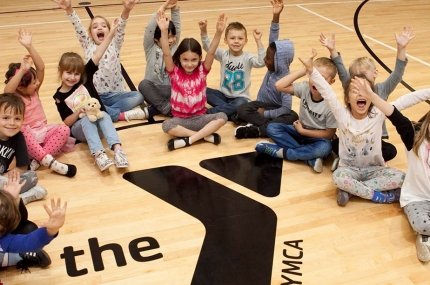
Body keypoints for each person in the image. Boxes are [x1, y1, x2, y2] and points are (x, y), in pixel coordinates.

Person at [300, 49, 415, 206]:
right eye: (355, 91)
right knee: (338, 178)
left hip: (375, 170)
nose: (361, 95)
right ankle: (378, 196)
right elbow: (327, 92)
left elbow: (404, 100)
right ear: (347, 98)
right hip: (349, 170)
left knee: (402, 177)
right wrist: (312, 71)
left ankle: (351, 191)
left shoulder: (378, 112)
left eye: (365, 91)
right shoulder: (341, 113)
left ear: (371, 96)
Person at [320, 26, 415, 169]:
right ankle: (350, 159)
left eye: (363, 75)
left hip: (374, 139)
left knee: (391, 150)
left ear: (375, 74)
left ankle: (369, 161)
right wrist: (332, 50)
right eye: (355, 76)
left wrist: (401, 48)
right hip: (353, 138)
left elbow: (397, 75)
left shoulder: (382, 88)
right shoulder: (351, 86)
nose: (359, 79)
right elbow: (341, 70)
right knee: (333, 143)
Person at [53, 18, 130, 171]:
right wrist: (79, 112)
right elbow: (67, 122)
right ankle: (99, 154)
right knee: (88, 120)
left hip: (99, 125)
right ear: (60, 71)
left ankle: (118, 151)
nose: (72, 77)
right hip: (80, 129)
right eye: (68, 73)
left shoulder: (85, 77)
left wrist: (111, 33)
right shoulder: (59, 96)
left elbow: (98, 53)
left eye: (76, 74)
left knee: (105, 115)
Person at [53, 0, 146, 122]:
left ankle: (104, 111)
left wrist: (126, 9)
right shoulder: (87, 45)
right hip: (96, 94)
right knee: (90, 103)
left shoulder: (115, 43)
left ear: (110, 30)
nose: (99, 28)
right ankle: (117, 114)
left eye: (103, 26)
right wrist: (69, 9)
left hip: (116, 94)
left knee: (138, 96)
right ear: (90, 34)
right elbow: (78, 27)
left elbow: (121, 25)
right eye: (95, 26)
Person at [4, 29, 77, 178]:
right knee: (22, 131)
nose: (38, 83)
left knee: (64, 130)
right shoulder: (15, 98)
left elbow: (41, 68)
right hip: (28, 138)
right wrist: (22, 70)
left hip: (43, 133)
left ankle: (38, 160)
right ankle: (51, 162)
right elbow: (7, 91)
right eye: (34, 81)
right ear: (20, 86)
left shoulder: (34, 92)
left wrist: (29, 47)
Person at [156, 11, 228, 150]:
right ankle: (205, 136)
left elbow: (211, 52)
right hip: (180, 120)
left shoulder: (202, 70)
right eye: (185, 60)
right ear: (179, 59)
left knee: (222, 116)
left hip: (200, 118)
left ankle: (188, 140)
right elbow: (166, 52)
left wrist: (219, 32)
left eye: (194, 60)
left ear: (200, 58)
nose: (189, 64)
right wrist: (164, 31)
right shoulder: (174, 71)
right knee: (167, 126)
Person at [255, 56, 338, 173]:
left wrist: (303, 131)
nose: (316, 81)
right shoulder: (305, 88)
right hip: (299, 131)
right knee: (272, 128)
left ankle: (282, 153)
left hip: (317, 139)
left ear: (331, 82)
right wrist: (304, 70)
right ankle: (309, 159)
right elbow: (279, 85)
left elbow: (328, 135)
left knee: (325, 148)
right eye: (314, 76)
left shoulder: (332, 104)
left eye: (322, 79)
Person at [234, 0, 298, 138]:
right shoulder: (272, 67)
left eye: (268, 58)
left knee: (292, 115)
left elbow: (286, 108)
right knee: (241, 108)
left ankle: (257, 129)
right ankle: (268, 127)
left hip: (273, 110)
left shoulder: (285, 80)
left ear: (278, 61)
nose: (264, 59)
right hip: (260, 105)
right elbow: (272, 40)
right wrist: (276, 16)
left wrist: (266, 114)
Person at [199, 4, 266, 118]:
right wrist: (204, 30)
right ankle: (233, 113)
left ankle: (210, 112)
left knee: (241, 103)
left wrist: (258, 41)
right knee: (201, 89)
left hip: (241, 97)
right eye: (232, 38)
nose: (236, 41)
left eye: (240, 38)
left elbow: (261, 62)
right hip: (222, 95)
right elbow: (208, 47)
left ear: (245, 41)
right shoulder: (223, 54)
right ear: (225, 40)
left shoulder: (248, 57)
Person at [385, 105, 430, 262]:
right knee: (422, 224)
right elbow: (394, 114)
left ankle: (426, 239)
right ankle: (425, 234)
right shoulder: (414, 137)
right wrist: (371, 95)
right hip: (416, 199)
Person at [0, 170, 67, 271]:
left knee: (29, 228)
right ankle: (18, 257)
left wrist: (51, 230)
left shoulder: (5, 240)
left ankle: (19, 256)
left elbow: (28, 242)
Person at [0, 94, 47, 205]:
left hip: (2, 180)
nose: (12, 123)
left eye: (17, 119)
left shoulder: (18, 137)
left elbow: (22, 167)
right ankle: (20, 199)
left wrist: (8, 177)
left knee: (32, 177)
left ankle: (9, 199)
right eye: (6, 118)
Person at [138, 0, 181, 118]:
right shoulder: (150, 47)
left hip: (171, 89)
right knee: (143, 85)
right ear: (157, 39)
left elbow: (176, 25)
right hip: (154, 88)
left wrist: (175, 9)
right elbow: (149, 29)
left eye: (173, 37)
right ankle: (169, 109)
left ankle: (157, 108)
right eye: (167, 37)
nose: (171, 40)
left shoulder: (174, 47)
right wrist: (163, 7)